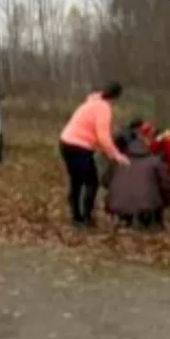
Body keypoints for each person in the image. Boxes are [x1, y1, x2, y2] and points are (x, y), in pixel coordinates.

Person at [58, 82, 129, 229]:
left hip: (66, 142)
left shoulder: (91, 102)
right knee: (92, 182)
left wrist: (104, 149)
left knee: (76, 181)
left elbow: (92, 132)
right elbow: (103, 136)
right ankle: (86, 219)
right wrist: (116, 155)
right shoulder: (103, 108)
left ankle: (76, 217)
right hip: (79, 146)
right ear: (116, 97)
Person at [103, 128, 170, 231]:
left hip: (117, 204)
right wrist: (167, 202)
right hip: (148, 205)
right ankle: (151, 222)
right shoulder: (155, 161)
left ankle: (125, 220)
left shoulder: (117, 162)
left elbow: (105, 182)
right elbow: (166, 184)